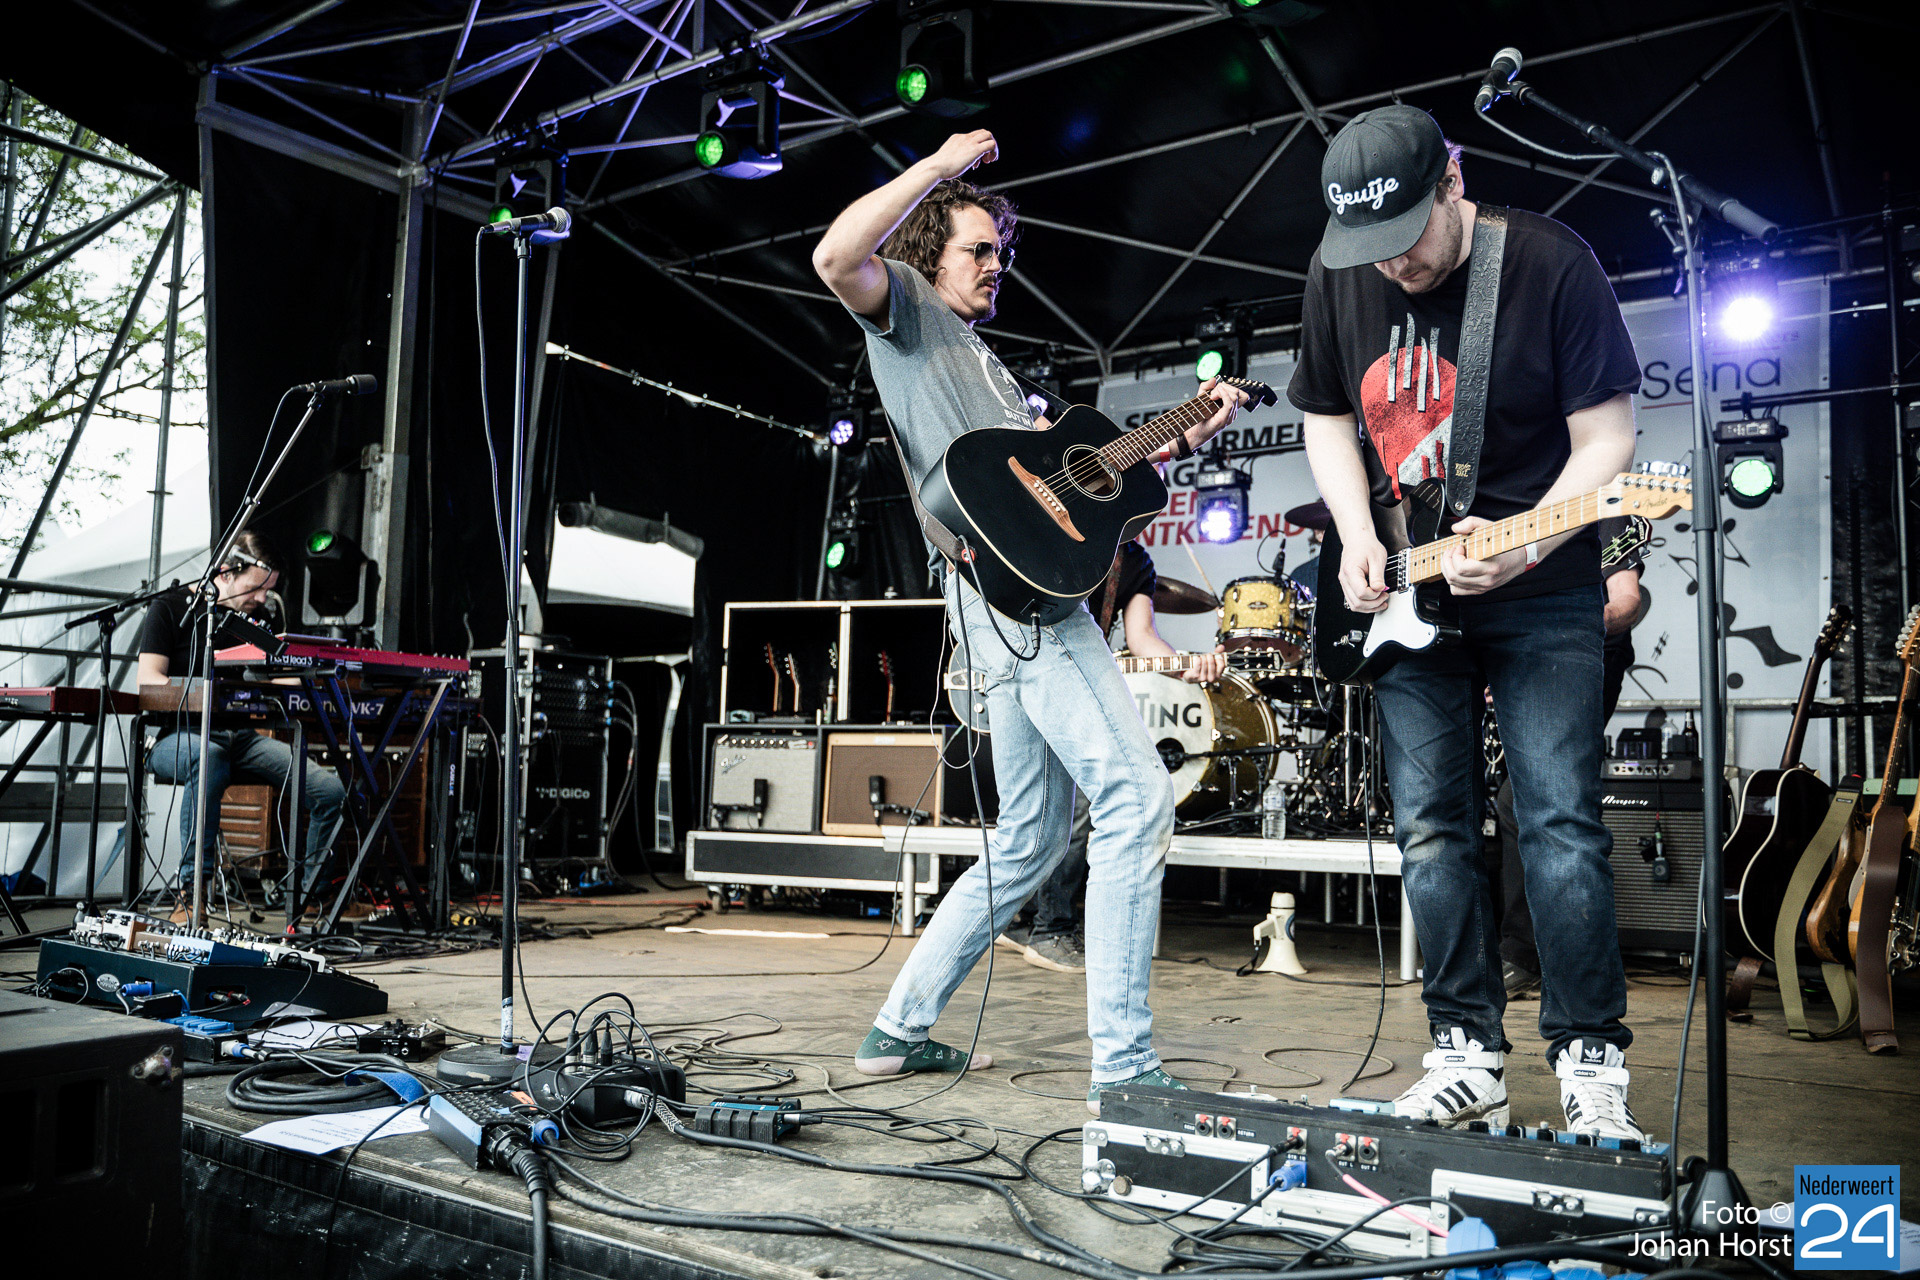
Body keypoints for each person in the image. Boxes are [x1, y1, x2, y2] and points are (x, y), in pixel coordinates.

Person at [812, 129, 1248, 1114]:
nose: (995, 265)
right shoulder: (908, 310)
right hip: (1025, 610)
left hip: (1007, 605)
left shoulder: (991, 371)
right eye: (978, 249)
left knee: (1029, 837)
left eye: (1001, 253)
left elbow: (1077, 490)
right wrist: (939, 166)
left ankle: (897, 1031)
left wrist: (1183, 428)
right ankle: (1125, 1067)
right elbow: (835, 257)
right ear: (928, 254)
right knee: (1138, 795)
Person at [1291, 105, 1645, 1140]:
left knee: (1558, 823)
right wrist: (1358, 531)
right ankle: (1464, 1054)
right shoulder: (1340, 270)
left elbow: (1608, 438)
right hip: (1406, 590)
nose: (1391, 264)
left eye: (1406, 236)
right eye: (1369, 246)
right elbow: (1324, 414)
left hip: (1543, 588)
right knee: (1432, 829)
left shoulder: (1548, 262)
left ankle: (1590, 1060)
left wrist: (1529, 543)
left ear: (1452, 180)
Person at [1006, 540, 1227, 974]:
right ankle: (1044, 929)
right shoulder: (1057, 530)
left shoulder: (1134, 561)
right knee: (1037, 813)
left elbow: (1142, 638)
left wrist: (1185, 666)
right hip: (1024, 668)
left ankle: (1039, 925)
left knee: (1074, 805)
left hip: (1072, 682)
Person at [135, 531, 347, 920]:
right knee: (209, 757)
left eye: (269, 590)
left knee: (329, 790)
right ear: (226, 572)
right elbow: (148, 681)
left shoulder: (255, 620)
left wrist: (313, 675)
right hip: (174, 737)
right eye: (257, 587)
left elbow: (279, 677)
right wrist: (209, 693)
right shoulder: (169, 608)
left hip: (241, 739)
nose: (263, 599)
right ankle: (192, 893)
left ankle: (311, 898)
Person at [1494, 518, 1644, 998]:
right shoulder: (1513, 506)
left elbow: (1626, 600)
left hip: (1580, 649)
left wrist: (1567, 627)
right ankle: (1523, 954)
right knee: (1506, 803)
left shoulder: (1605, 512)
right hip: (1516, 648)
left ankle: (1538, 961)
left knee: (1539, 802)